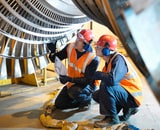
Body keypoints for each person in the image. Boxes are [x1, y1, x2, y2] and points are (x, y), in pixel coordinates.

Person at [92, 34, 143, 128]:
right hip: (127, 93)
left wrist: (97, 74)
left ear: (106, 50)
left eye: (99, 47)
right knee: (97, 95)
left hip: (133, 97)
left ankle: (112, 118)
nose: (96, 48)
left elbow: (111, 80)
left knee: (106, 84)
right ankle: (129, 109)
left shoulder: (118, 60)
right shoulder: (109, 62)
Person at [49, 29, 99, 110]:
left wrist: (68, 79)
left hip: (88, 85)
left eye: (79, 40)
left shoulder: (93, 58)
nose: (76, 41)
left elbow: (87, 80)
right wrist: (52, 51)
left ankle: (87, 99)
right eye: (77, 38)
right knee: (59, 104)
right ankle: (78, 101)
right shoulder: (70, 47)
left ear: (85, 44)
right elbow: (55, 58)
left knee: (74, 91)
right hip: (73, 83)